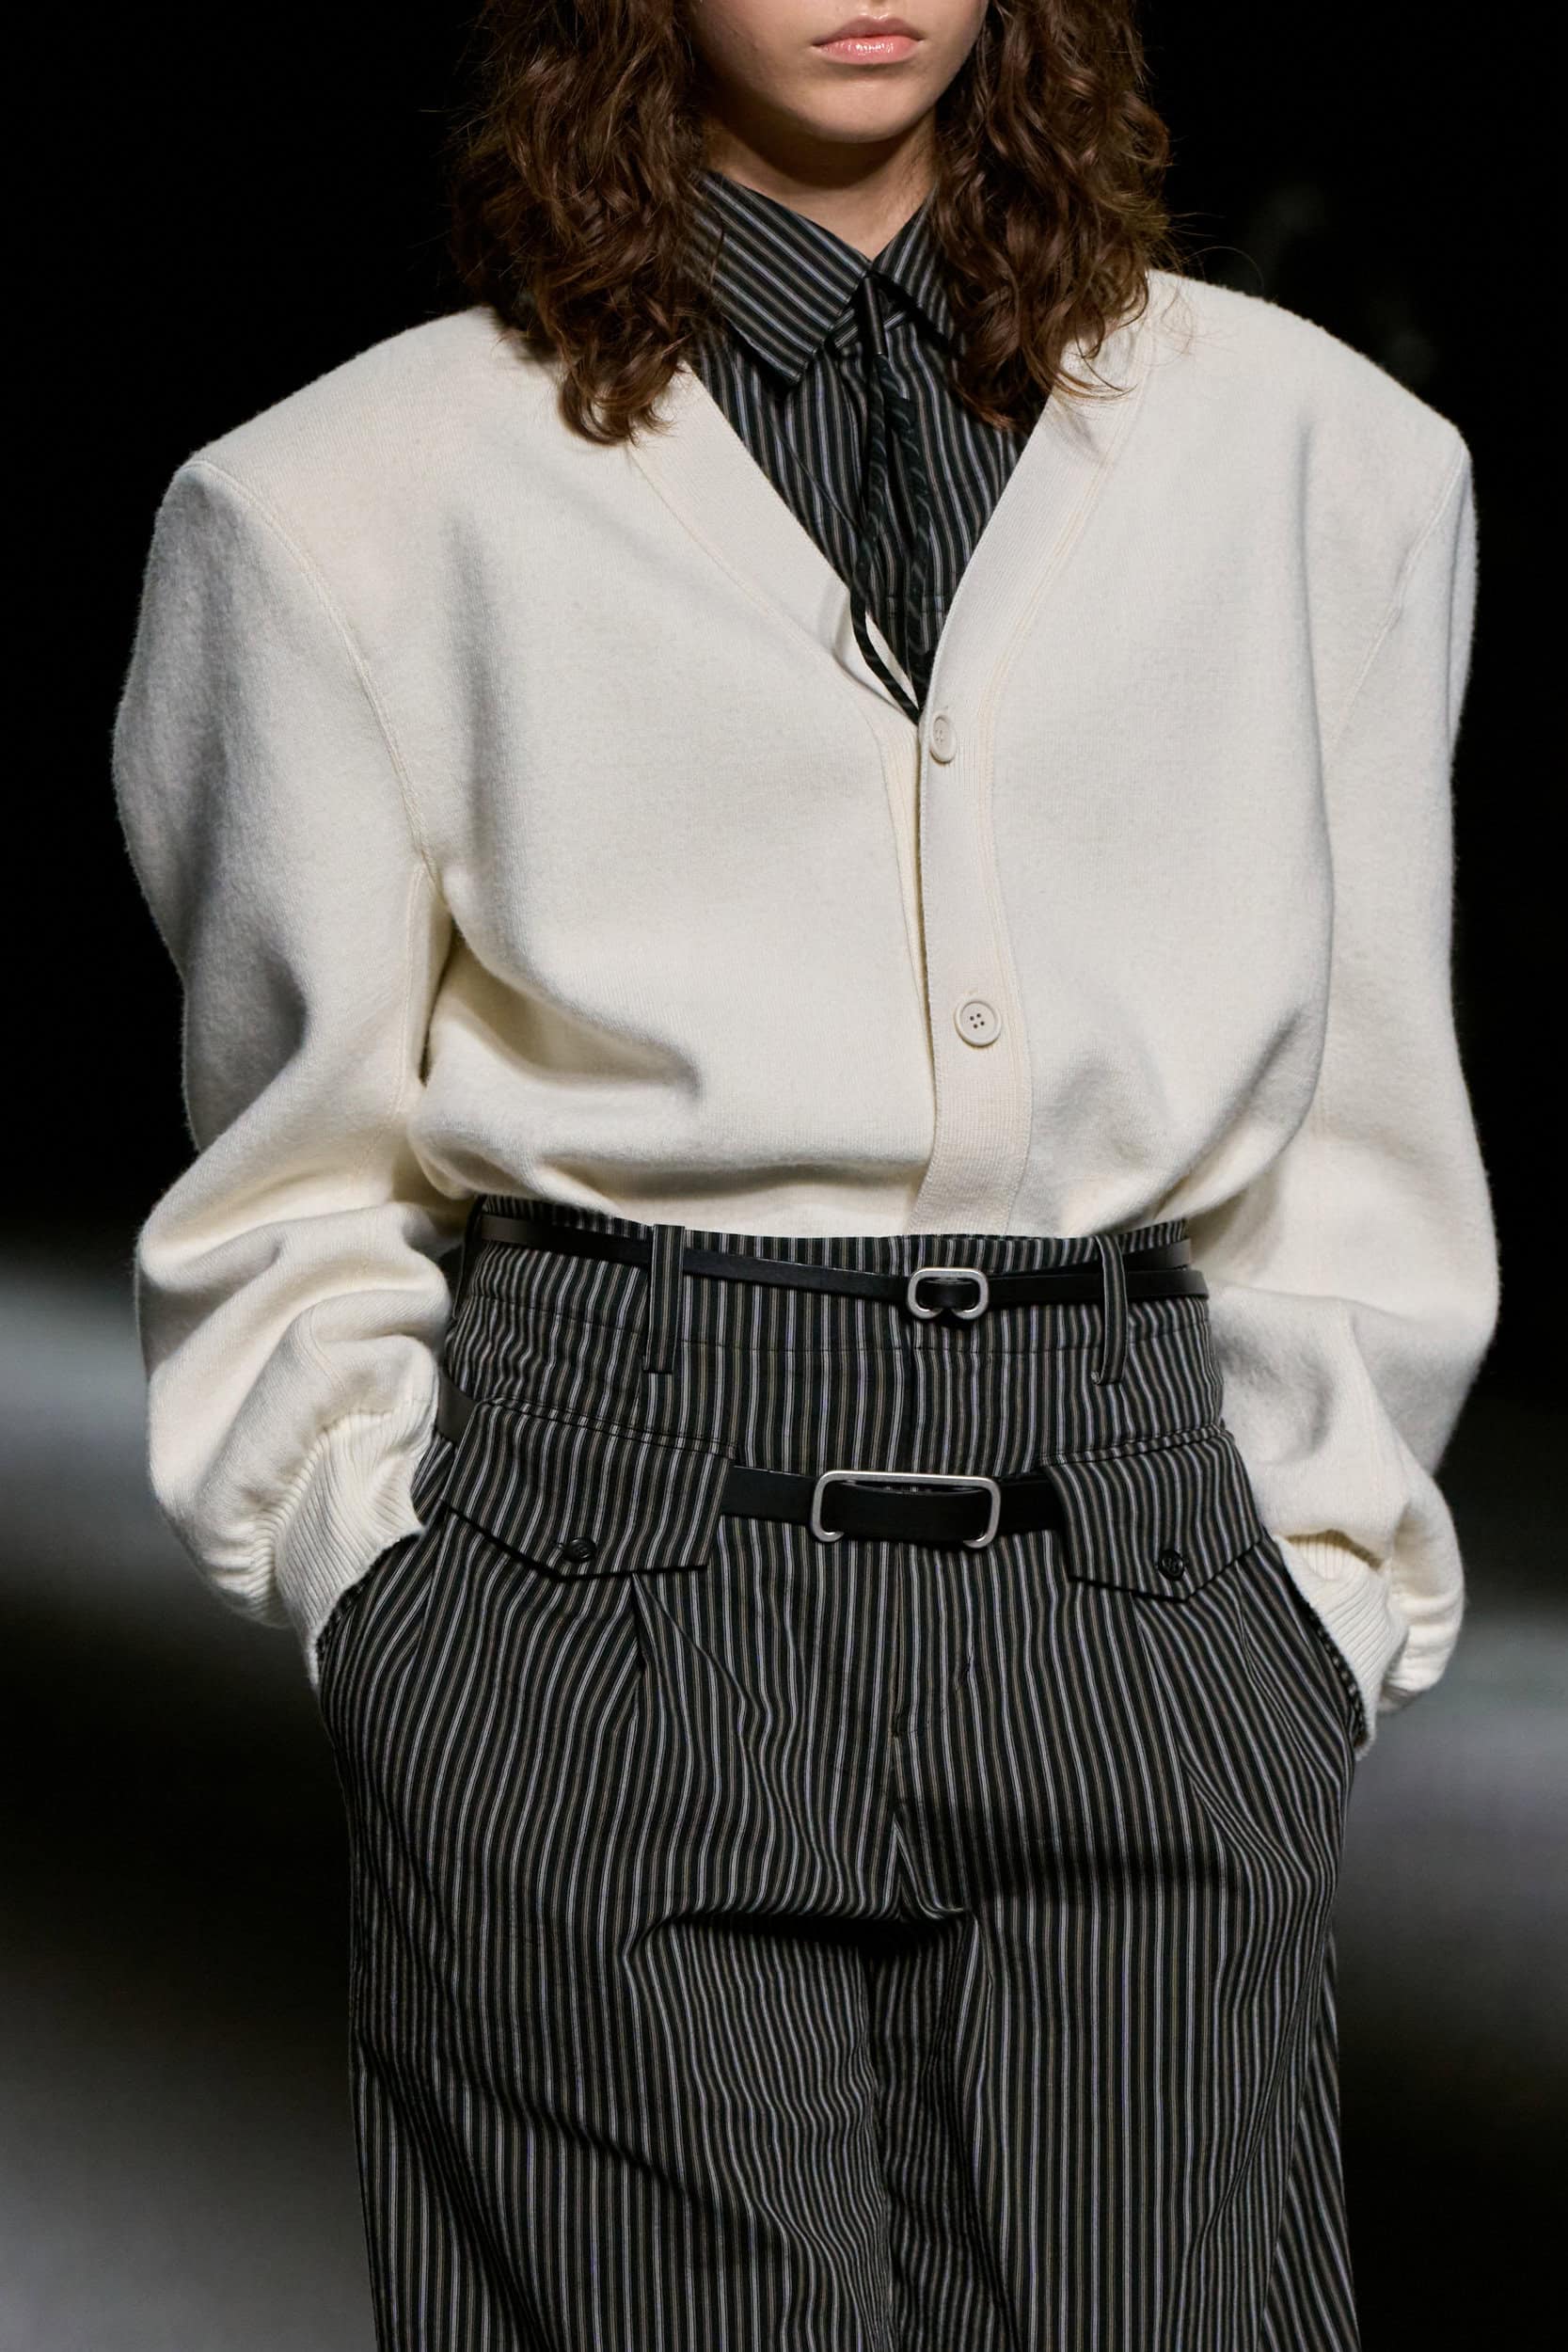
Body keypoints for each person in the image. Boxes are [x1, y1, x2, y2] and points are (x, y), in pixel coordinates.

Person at [109, 3, 1498, 2346]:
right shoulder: (343, 497)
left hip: (1140, 1569)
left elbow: (1367, 1112)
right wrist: (390, 1594)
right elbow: (289, 1167)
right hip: (604, 1565)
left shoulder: (1326, 463)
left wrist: (1317, 1596)